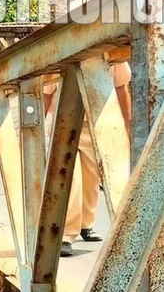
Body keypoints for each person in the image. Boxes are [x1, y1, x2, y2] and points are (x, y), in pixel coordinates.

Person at [51, 62, 131, 257]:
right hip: (65, 123)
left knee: (91, 177)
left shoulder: (111, 56)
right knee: (72, 177)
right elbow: (47, 93)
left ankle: (86, 223)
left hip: (99, 123)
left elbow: (121, 89)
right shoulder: (61, 52)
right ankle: (67, 234)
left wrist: (128, 125)